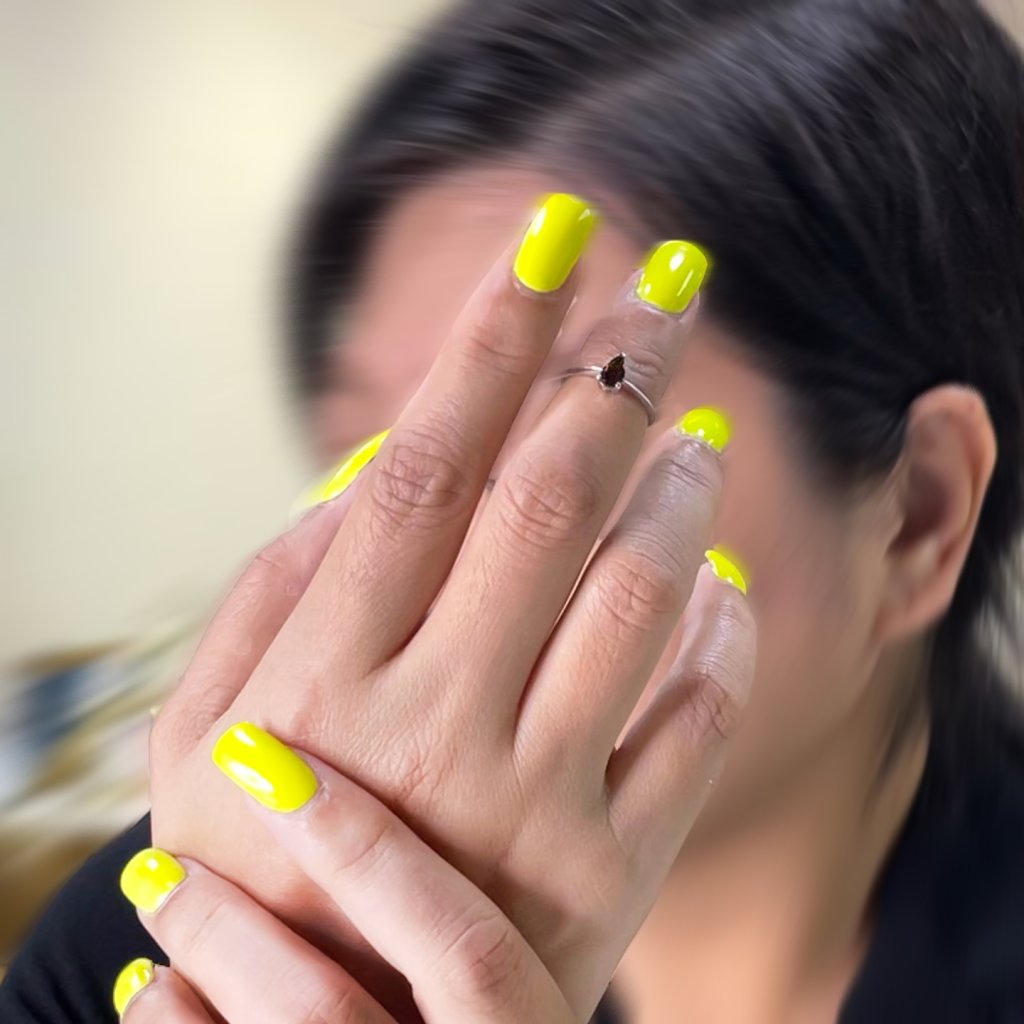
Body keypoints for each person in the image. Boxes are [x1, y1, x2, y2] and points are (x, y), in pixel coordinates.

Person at [3, 0, 1024, 1020]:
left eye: (570, 420)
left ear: (917, 516)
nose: (397, 541)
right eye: (368, 446)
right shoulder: (163, 930)